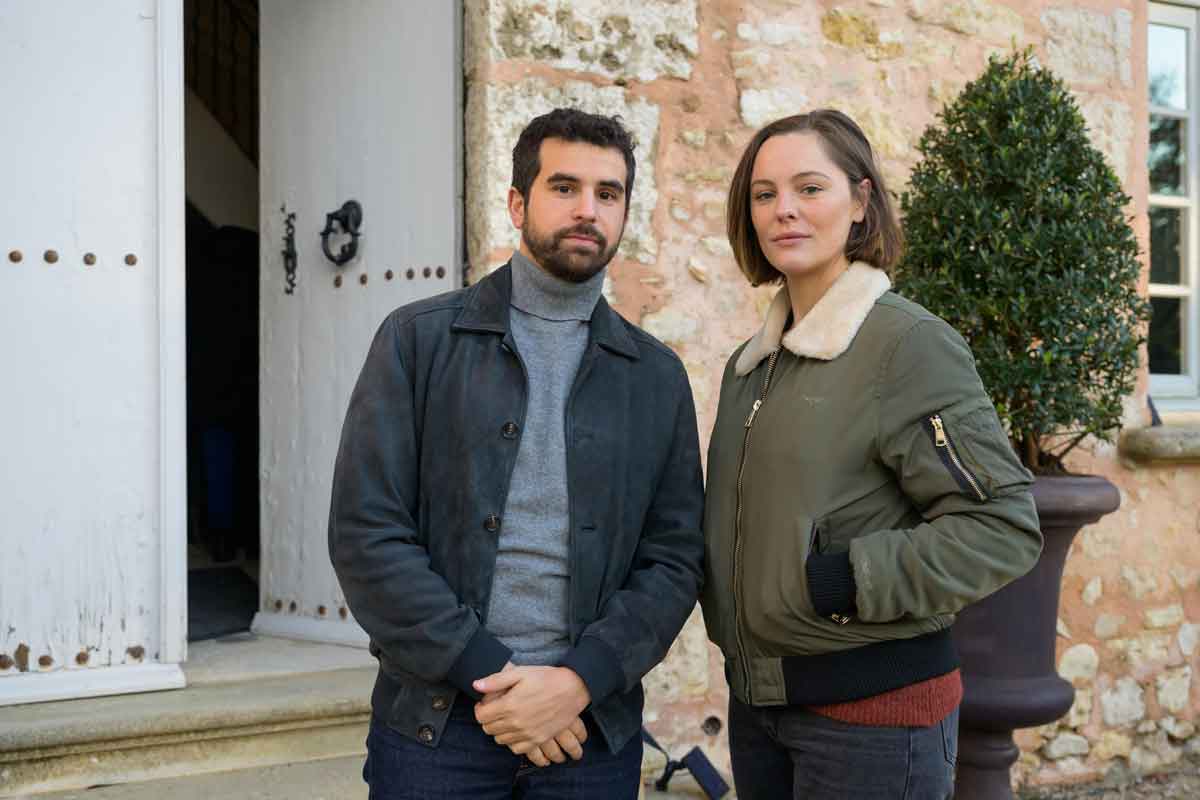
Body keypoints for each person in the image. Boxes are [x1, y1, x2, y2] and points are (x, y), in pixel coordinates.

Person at [328, 107, 705, 800]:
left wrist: (578, 681)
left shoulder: (655, 377)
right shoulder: (418, 342)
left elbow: (674, 557)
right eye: (564, 187)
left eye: (608, 193)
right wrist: (493, 677)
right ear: (515, 201)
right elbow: (366, 533)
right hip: (437, 728)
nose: (587, 209)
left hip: (586, 730)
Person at [700, 109, 1043, 799]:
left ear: (860, 202)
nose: (783, 211)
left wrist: (849, 580)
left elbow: (1002, 525)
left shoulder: (906, 346)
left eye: (809, 188)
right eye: (763, 195)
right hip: (760, 709)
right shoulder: (750, 366)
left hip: (874, 718)